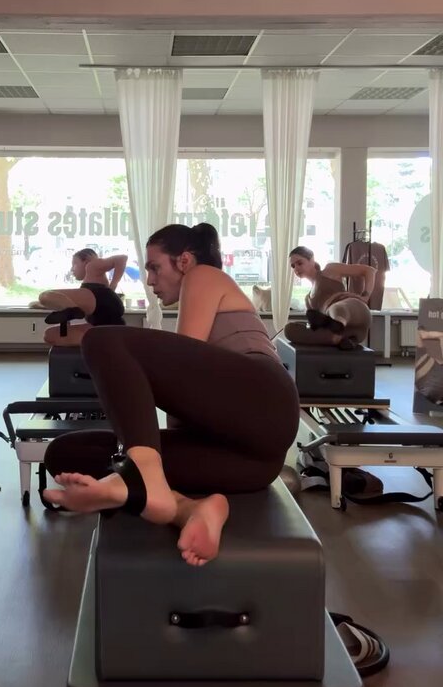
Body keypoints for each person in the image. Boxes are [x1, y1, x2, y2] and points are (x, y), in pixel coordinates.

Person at [42, 223, 300, 567]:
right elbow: (183, 412)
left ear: (184, 261)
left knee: (102, 340)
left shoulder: (204, 276)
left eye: (154, 267)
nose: (150, 280)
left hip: (268, 401)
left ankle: (144, 477)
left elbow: (185, 359)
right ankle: (186, 508)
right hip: (253, 464)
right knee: (66, 454)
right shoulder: (195, 307)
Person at [30, 248, 127, 347]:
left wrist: (113, 285)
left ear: (86, 261)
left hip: (103, 304)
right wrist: (41, 305)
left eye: (74, 264)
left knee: (44, 296)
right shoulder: (89, 281)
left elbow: (122, 258)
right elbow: (59, 301)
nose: (72, 269)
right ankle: (104, 340)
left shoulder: (92, 266)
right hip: (103, 327)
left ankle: (72, 311)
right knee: (49, 335)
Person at [286, 246, 376, 348]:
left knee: (337, 308)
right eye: (293, 266)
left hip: (355, 311)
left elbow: (369, 271)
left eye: (299, 263)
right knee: (289, 330)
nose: (296, 268)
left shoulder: (330, 270)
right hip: (353, 332)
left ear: (312, 260)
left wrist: (365, 296)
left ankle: (337, 324)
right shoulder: (308, 299)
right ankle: (340, 337)